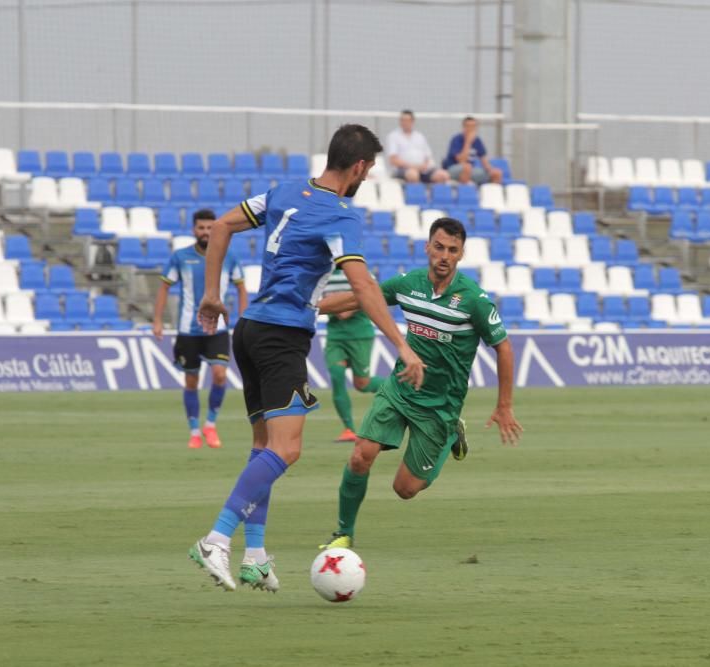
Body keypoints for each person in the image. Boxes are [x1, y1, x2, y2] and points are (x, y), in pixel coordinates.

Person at [187, 124, 425, 593]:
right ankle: (215, 539)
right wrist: (401, 344)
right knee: (287, 449)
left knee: (264, 448)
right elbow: (361, 285)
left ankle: (254, 555)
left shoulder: (283, 191)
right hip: (281, 337)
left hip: (250, 330)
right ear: (358, 167)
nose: (366, 177)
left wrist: (212, 295)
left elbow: (221, 228)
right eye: (369, 169)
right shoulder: (340, 215)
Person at [317, 217, 522, 550]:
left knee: (405, 489)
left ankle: (452, 432)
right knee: (360, 455)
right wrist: (311, 308)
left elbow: (505, 347)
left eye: (452, 250)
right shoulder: (408, 284)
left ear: (461, 254)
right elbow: (361, 298)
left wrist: (504, 406)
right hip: (401, 389)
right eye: (438, 247)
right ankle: (343, 533)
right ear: (427, 247)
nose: (444, 255)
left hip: (441, 405)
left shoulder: (473, 300)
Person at [153, 208, 247, 449]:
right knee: (191, 381)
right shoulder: (180, 257)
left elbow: (241, 287)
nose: (205, 232)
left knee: (220, 374)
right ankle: (194, 431)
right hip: (188, 330)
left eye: (209, 227)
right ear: (194, 230)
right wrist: (157, 320)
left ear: (215, 228)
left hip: (218, 329)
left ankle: (211, 425)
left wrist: (243, 317)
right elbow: (164, 286)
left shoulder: (229, 256)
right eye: (201, 228)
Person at [321, 267, 386, 443]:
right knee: (336, 374)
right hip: (335, 335)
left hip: (360, 334)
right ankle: (349, 429)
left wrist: (340, 306)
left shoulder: (363, 273)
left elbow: (372, 296)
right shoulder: (323, 274)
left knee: (362, 384)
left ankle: (403, 388)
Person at [386, 110, 449, 184]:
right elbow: (393, 160)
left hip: (422, 169)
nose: (404, 123)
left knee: (443, 175)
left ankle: (436, 195)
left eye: (407, 120)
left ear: (412, 121)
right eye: (402, 120)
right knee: (413, 174)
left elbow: (428, 157)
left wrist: (423, 166)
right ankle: (416, 195)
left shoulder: (420, 136)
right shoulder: (393, 136)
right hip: (403, 170)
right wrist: (412, 167)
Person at [442, 116, 503, 185]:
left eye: (473, 126)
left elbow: (484, 161)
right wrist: (468, 142)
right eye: (468, 126)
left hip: (471, 170)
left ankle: (490, 193)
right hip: (453, 169)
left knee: (496, 173)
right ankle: (465, 192)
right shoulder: (456, 139)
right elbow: (461, 161)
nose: (470, 129)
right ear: (463, 127)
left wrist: (492, 171)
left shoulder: (477, 141)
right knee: (467, 167)